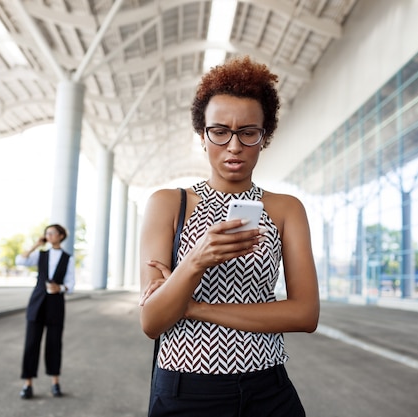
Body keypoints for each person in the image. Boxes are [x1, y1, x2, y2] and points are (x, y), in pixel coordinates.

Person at [138, 56, 320, 416]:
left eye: (248, 132)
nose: (233, 146)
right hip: (186, 390)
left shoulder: (285, 209)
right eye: (219, 131)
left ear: (263, 137)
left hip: (268, 388)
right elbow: (152, 321)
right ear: (202, 136)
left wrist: (191, 308)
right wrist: (196, 259)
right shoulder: (169, 204)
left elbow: (304, 314)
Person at [15, 224, 75, 399]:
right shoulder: (40, 254)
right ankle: (28, 384)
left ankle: (55, 382)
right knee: (31, 344)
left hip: (56, 306)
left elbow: (71, 285)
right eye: (46, 233)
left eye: (51, 233)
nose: (48, 235)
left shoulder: (68, 258)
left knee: (54, 344)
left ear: (61, 236)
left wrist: (61, 288)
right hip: (37, 304)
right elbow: (20, 260)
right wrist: (35, 245)